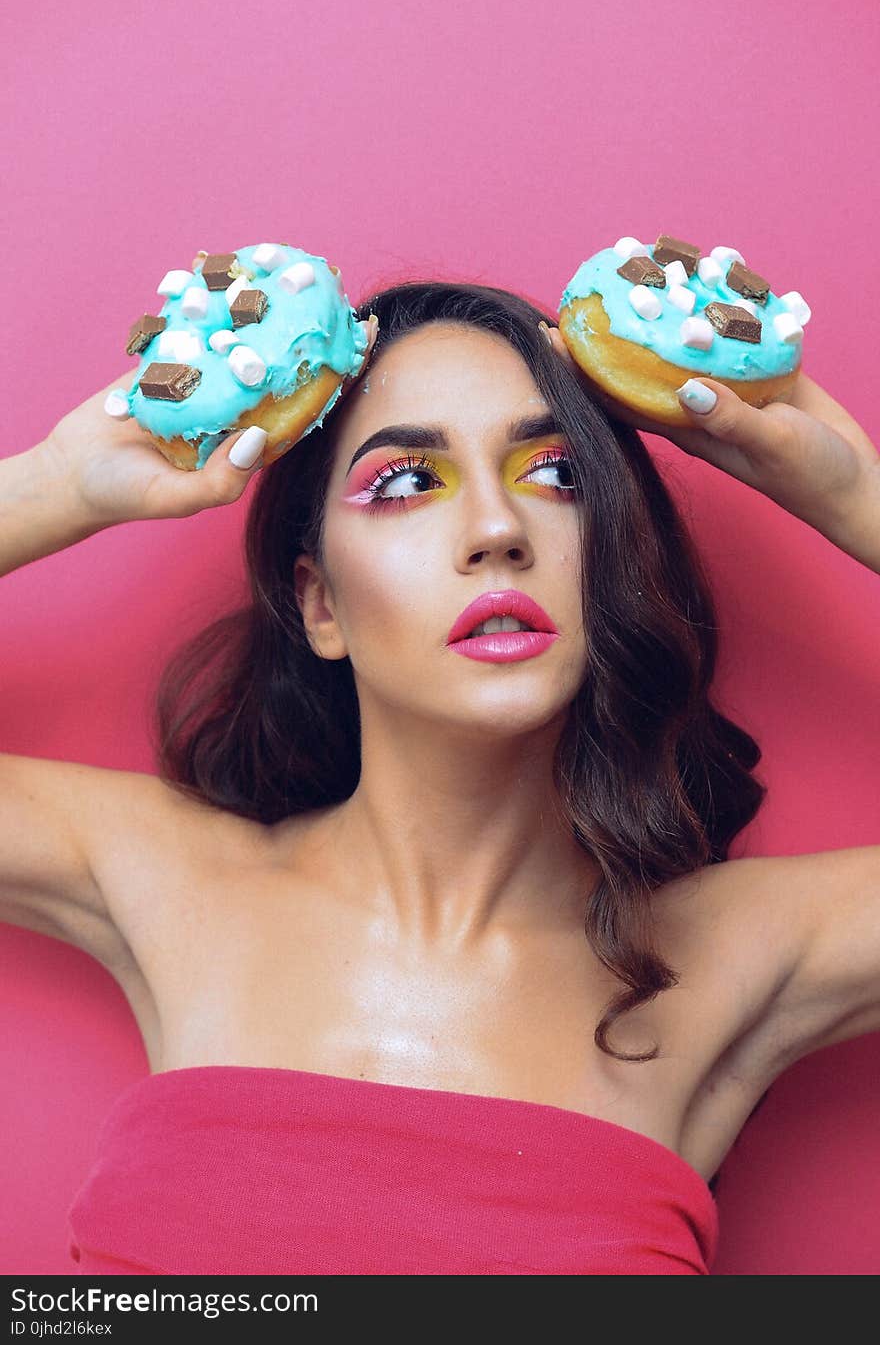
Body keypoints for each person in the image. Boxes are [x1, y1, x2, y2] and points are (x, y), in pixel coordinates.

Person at [1, 279, 878, 1276]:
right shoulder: (160, 877)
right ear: (319, 603)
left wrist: (852, 496)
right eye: (407, 484)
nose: (498, 528)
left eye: (555, 474)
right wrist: (58, 485)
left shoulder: (738, 955)